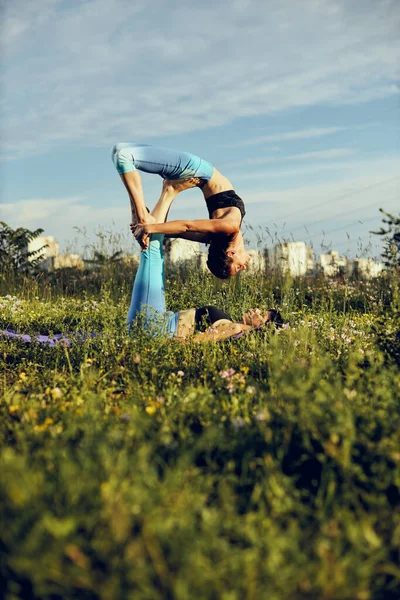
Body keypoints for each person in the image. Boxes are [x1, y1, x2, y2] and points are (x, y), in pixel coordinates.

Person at [125, 187, 282, 342]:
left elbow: (191, 343)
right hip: (159, 322)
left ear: (262, 327)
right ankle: (146, 209)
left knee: (152, 249)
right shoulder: (232, 325)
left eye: (261, 315)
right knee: (152, 245)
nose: (256, 310)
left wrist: (159, 342)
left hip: (156, 327)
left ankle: (169, 190)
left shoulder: (234, 328)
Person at [111, 142, 251, 279]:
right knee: (120, 151)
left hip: (194, 171)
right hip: (196, 171)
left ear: (230, 253)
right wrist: (148, 227)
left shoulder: (217, 235)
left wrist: (147, 229)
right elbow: (187, 226)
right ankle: (141, 216)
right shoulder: (230, 226)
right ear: (231, 253)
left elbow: (180, 231)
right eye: (238, 268)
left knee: (122, 155)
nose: (244, 267)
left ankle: (141, 218)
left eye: (238, 267)